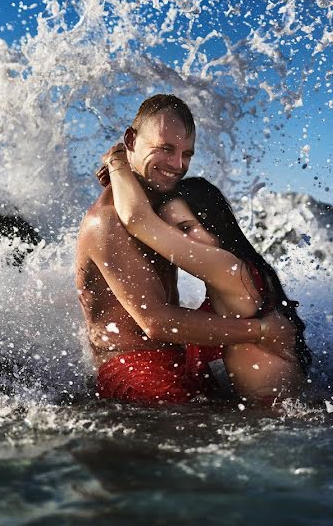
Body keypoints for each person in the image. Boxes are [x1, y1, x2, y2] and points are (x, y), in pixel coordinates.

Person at [75, 94, 295, 405]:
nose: (178, 165)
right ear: (130, 140)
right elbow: (154, 322)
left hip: (179, 356)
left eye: (186, 154)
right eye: (165, 148)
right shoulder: (107, 222)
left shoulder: (161, 208)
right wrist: (258, 330)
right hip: (134, 369)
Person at [105, 148, 312, 401]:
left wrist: (117, 161)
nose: (176, 241)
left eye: (186, 228)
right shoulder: (245, 272)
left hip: (279, 423)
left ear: (215, 225)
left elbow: (137, 219)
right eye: (169, 230)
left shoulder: (228, 268)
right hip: (282, 415)